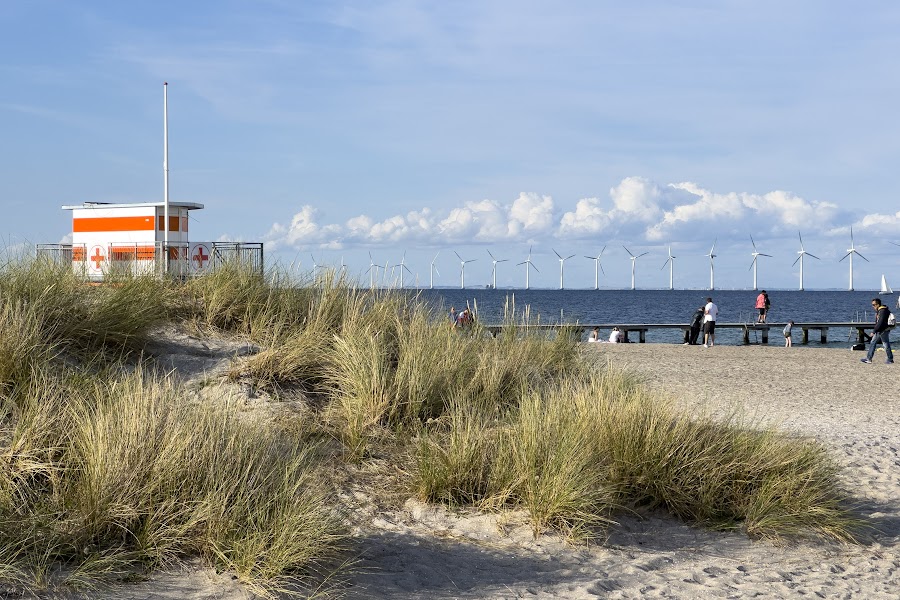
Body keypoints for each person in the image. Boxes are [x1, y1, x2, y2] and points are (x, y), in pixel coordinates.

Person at [861, 298, 894, 364]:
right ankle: (890, 359)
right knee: (884, 343)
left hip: (882, 330)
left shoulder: (882, 311)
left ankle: (869, 358)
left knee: (877, 343)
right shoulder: (883, 310)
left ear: (878, 304)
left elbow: (880, 322)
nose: (873, 306)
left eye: (874, 305)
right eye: (872, 305)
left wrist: (874, 331)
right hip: (884, 329)